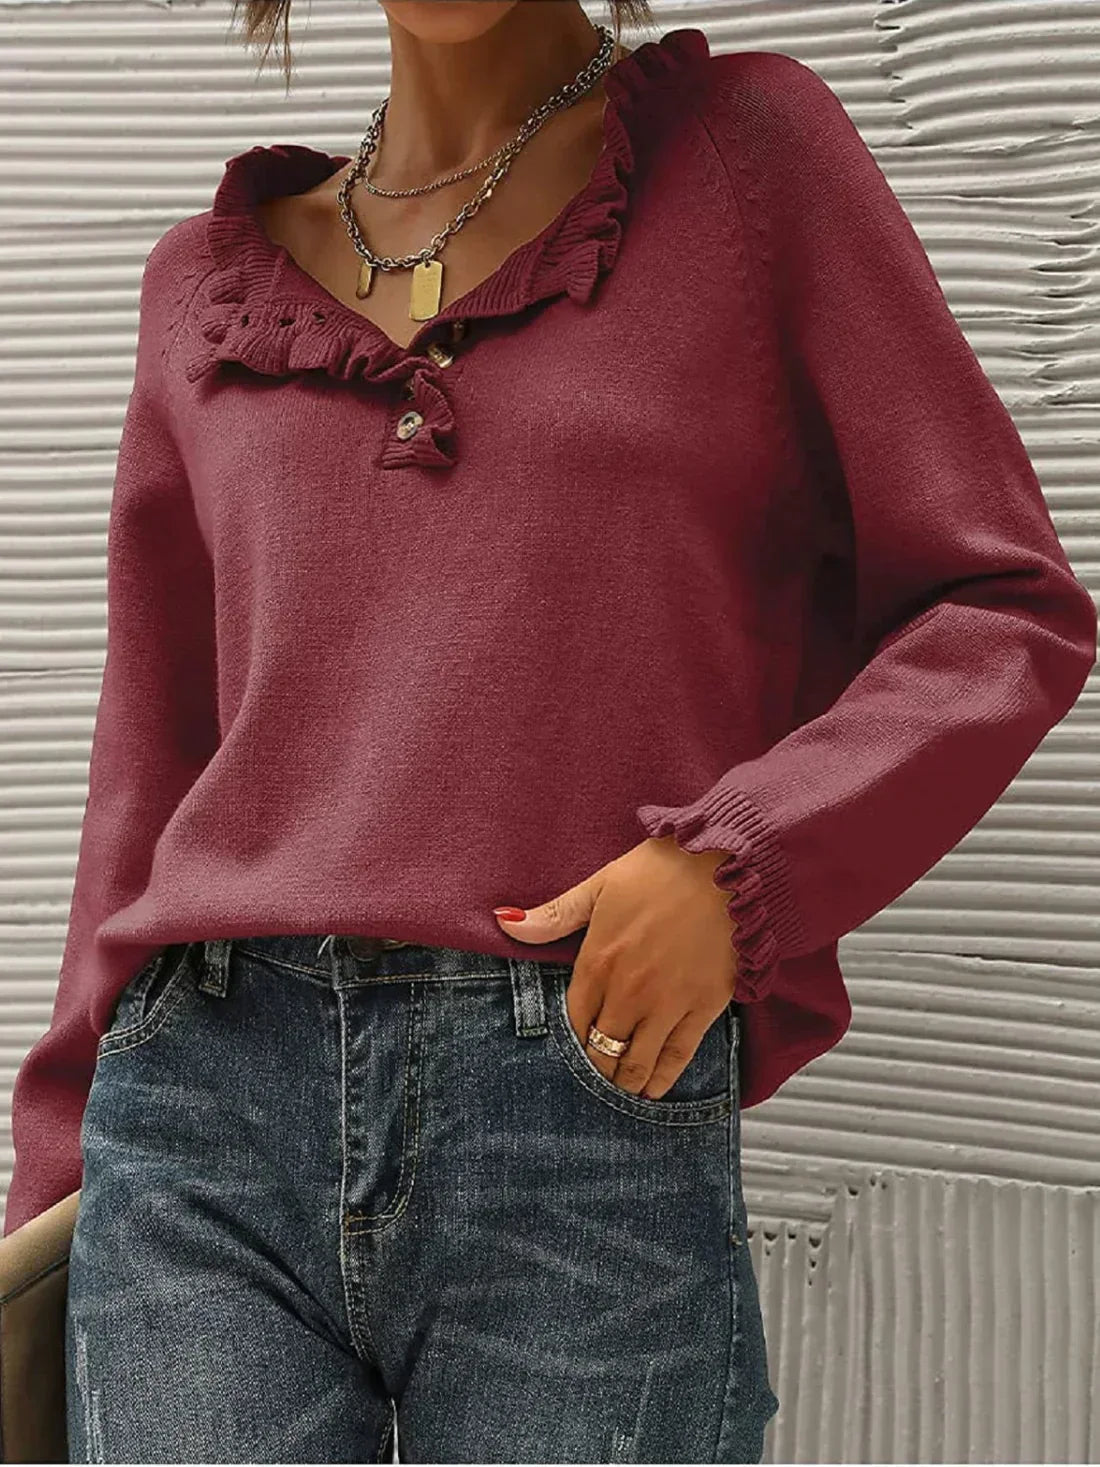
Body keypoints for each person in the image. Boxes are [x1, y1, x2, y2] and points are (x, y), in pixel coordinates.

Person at [8, 0, 1097, 1461]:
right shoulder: (203, 285)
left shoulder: (750, 158)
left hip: (580, 1098)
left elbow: (1002, 609)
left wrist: (741, 864)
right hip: (198, 1119)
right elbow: (148, 766)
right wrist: (51, 1178)